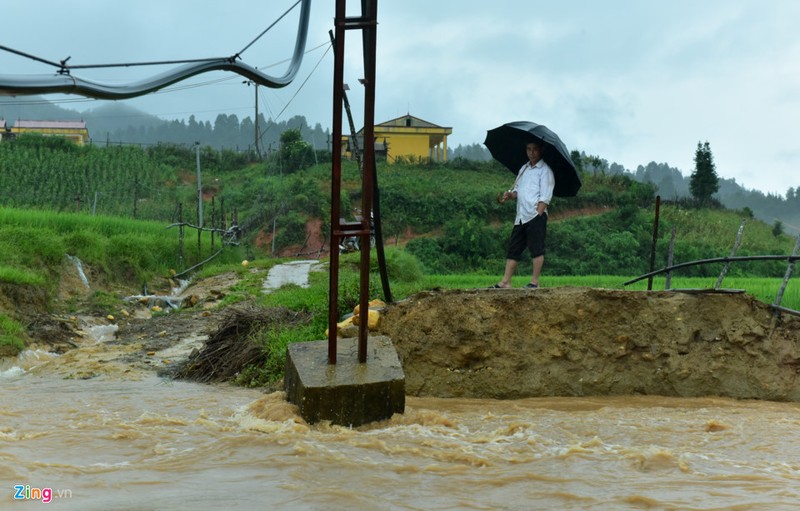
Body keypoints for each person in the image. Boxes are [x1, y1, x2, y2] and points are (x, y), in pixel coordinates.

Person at [492, 140, 555, 289]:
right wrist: (510, 194)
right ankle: (506, 282)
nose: (531, 152)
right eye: (528, 149)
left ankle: (534, 282)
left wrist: (537, 214)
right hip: (520, 217)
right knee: (513, 249)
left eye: (534, 149)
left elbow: (545, 197)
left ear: (541, 151)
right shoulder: (523, 169)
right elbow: (518, 191)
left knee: (536, 249)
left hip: (535, 216)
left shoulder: (545, 171)